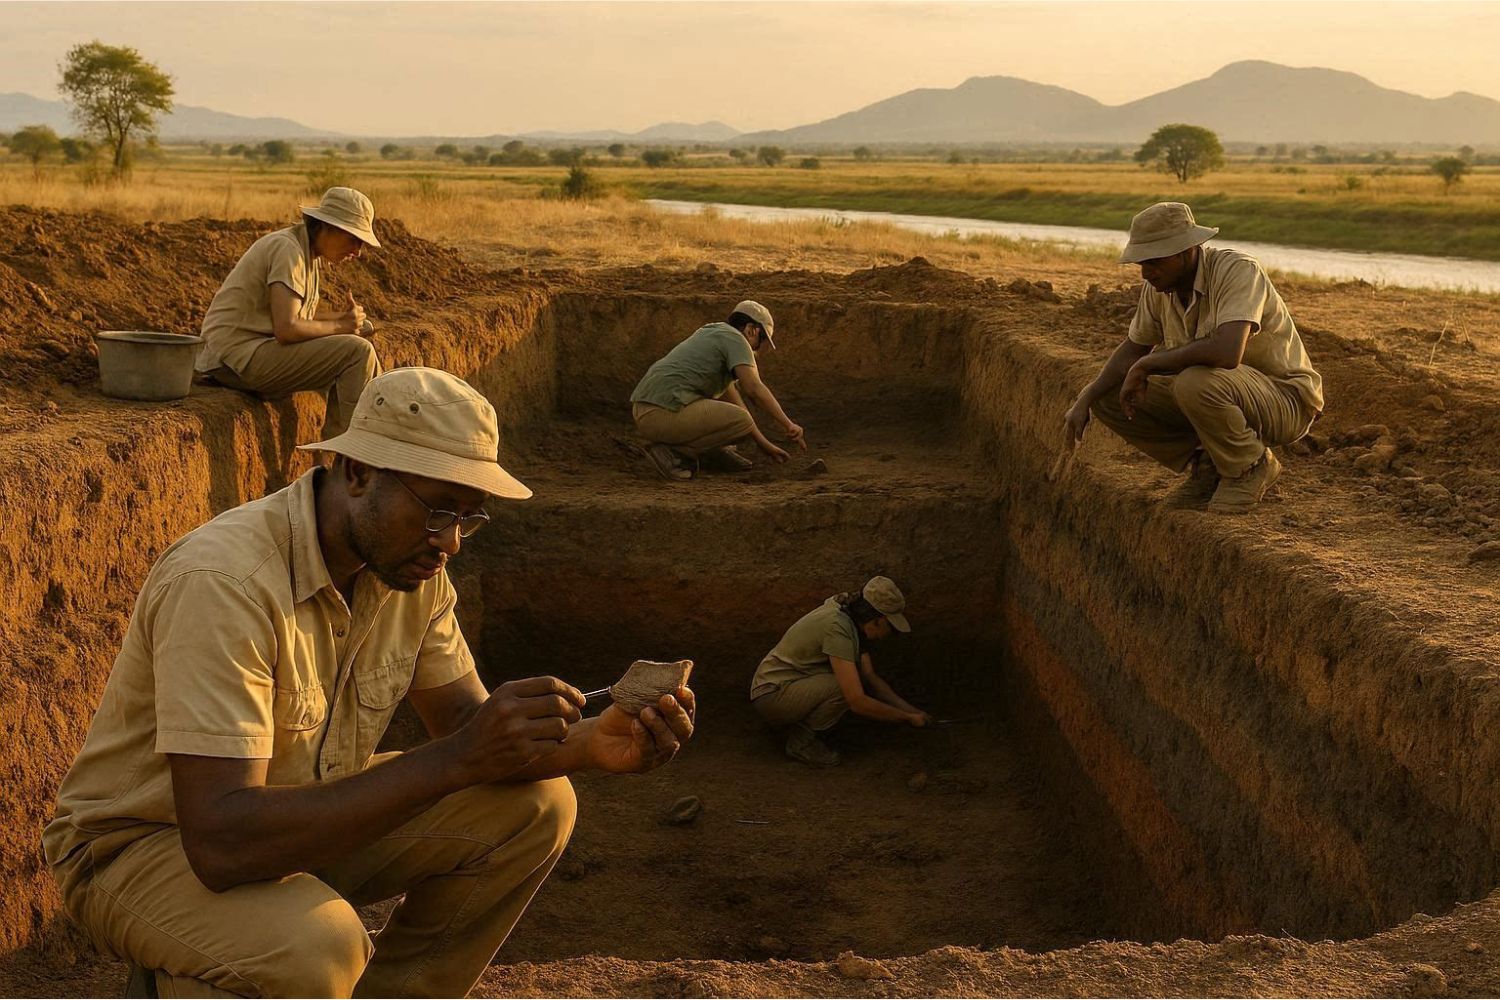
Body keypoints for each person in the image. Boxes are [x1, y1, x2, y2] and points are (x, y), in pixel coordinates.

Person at [43, 367, 696, 998]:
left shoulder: (407, 567)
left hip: (297, 817)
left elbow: (467, 730)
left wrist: (593, 743)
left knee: (538, 807)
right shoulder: (225, 582)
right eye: (439, 511)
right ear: (357, 473)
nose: (452, 543)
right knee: (318, 946)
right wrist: (453, 761)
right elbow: (221, 841)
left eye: (470, 518)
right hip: (148, 848)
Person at [1062, 202, 1323, 513]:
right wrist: (1086, 397)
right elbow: (1133, 348)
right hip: (1221, 394)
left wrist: (1147, 364)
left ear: (1188, 251)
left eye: (1155, 262)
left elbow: (1226, 353)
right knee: (1108, 394)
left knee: (1194, 381)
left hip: (1283, 401)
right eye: (1142, 263)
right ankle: (1208, 464)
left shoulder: (1237, 270)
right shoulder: (1161, 288)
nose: (1147, 273)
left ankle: (1250, 466)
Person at [196, 186, 383, 439]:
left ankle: (378, 433)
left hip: (247, 353)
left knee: (360, 339)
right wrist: (341, 328)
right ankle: (351, 455)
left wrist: (346, 321)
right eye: (354, 239)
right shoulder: (288, 250)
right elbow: (287, 329)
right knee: (357, 352)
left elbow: (297, 317)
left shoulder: (306, 253)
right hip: (234, 359)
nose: (357, 250)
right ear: (328, 227)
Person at [749, 577, 929, 767]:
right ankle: (801, 743)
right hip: (773, 694)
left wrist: (912, 711)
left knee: (851, 681)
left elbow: (870, 676)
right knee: (842, 687)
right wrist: (904, 718)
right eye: (890, 627)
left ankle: (792, 730)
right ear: (877, 620)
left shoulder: (849, 615)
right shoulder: (839, 628)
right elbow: (857, 701)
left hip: (784, 688)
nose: (890, 634)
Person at [630, 300, 806, 481]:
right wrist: (789, 425)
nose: (756, 349)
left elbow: (737, 408)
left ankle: (709, 452)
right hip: (663, 413)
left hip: (646, 412)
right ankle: (673, 453)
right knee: (741, 421)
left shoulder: (712, 332)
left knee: (739, 421)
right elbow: (754, 388)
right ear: (751, 330)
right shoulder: (737, 340)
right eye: (760, 341)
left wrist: (764, 444)